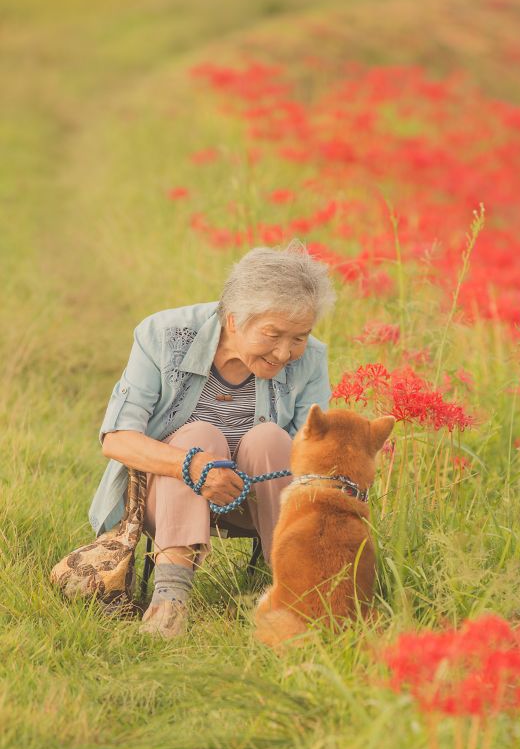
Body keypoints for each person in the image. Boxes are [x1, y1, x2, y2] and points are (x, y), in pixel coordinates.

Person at [88, 239, 336, 639]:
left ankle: (293, 595)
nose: (286, 352)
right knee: (198, 436)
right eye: (273, 335)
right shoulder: (162, 335)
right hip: (165, 497)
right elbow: (116, 439)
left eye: (299, 336)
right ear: (234, 320)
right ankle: (169, 603)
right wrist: (194, 465)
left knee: (271, 438)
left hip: (255, 498)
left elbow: (310, 459)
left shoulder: (311, 360)